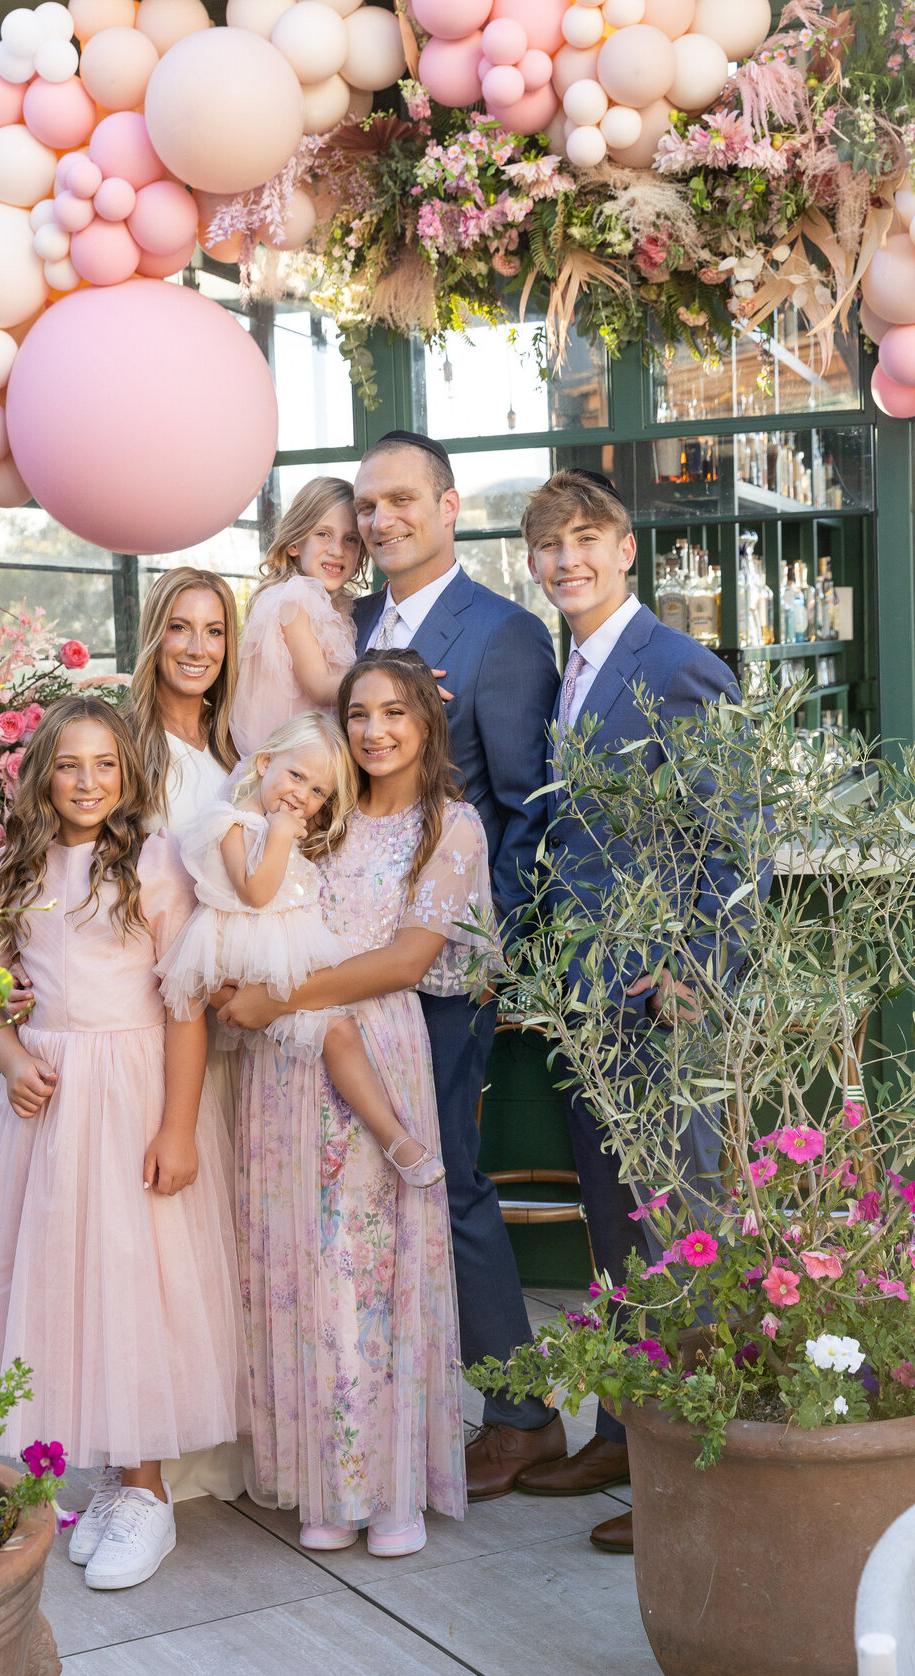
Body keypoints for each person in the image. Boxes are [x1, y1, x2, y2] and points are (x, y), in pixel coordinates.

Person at [0, 694, 244, 1591]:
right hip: (46, 1106)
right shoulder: (16, 865)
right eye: (70, 765)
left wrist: (178, 1126)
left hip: (130, 1094)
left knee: (128, 1276)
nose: (87, 782)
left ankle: (147, 1491)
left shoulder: (153, 865)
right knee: (58, 1276)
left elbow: (184, 1004)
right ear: (44, 773)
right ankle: (107, 1480)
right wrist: (8, 1056)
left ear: (128, 775)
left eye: (105, 765)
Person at [513, 467, 751, 1555]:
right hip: (587, 1001)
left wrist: (698, 968)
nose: (564, 561)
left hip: (661, 1000)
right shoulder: (571, 674)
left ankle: (685, 1477)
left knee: (673, 1229)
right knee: (616, 1229)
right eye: (547, 547)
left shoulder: (677, 667)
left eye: (583, 540)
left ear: (624, 552)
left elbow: (729, 841)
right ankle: (618, 1430)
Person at [219, 651, 488, 1555]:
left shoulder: (449, 826)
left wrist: (280, 996)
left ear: (426, 723)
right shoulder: (316, 811)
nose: (375, 731)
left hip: (377, 1043)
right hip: (289, 1067)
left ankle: (394, 1487)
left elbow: (408, 960)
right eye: (360, 713)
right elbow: (242, 896)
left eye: (395, 713)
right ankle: (325, 1484)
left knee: (375, 1268)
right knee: (302, 1265)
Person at [352, 429, 568, 1501]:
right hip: (345, 964)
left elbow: (526, 811)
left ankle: (520, 1413)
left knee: (450, 1181)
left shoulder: (506, 636)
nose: (380, 519)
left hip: (441, 972)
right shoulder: (350, 627)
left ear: (445, 508)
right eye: (366, 505)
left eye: (400, 500)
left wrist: (490, 956)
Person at [158, 711, 445, 1185]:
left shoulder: (279, 825)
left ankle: (397, 1142)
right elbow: (256, 893)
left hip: (280, 957)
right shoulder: (229, 821)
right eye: (296, 776)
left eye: (318, 793)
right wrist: (281, 835)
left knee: (341, 1033)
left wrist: (284, 833)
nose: (302, 796)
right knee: (332, 1032)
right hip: (242, 957)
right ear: (264, 761)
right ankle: (398, 1141)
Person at [229, 477, 364, 758]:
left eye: (350, 539)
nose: (337, 549)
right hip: (290, 759)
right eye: (323, 534)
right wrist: (388, 677)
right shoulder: (295, 598)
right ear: (294, 543)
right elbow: (318, 686)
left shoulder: (338, 606)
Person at [129, 565, 240, 833]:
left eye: (214, 631)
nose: (197, 650)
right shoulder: (123, 743)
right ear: (154, 635)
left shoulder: (239, 738)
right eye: (179, 627)